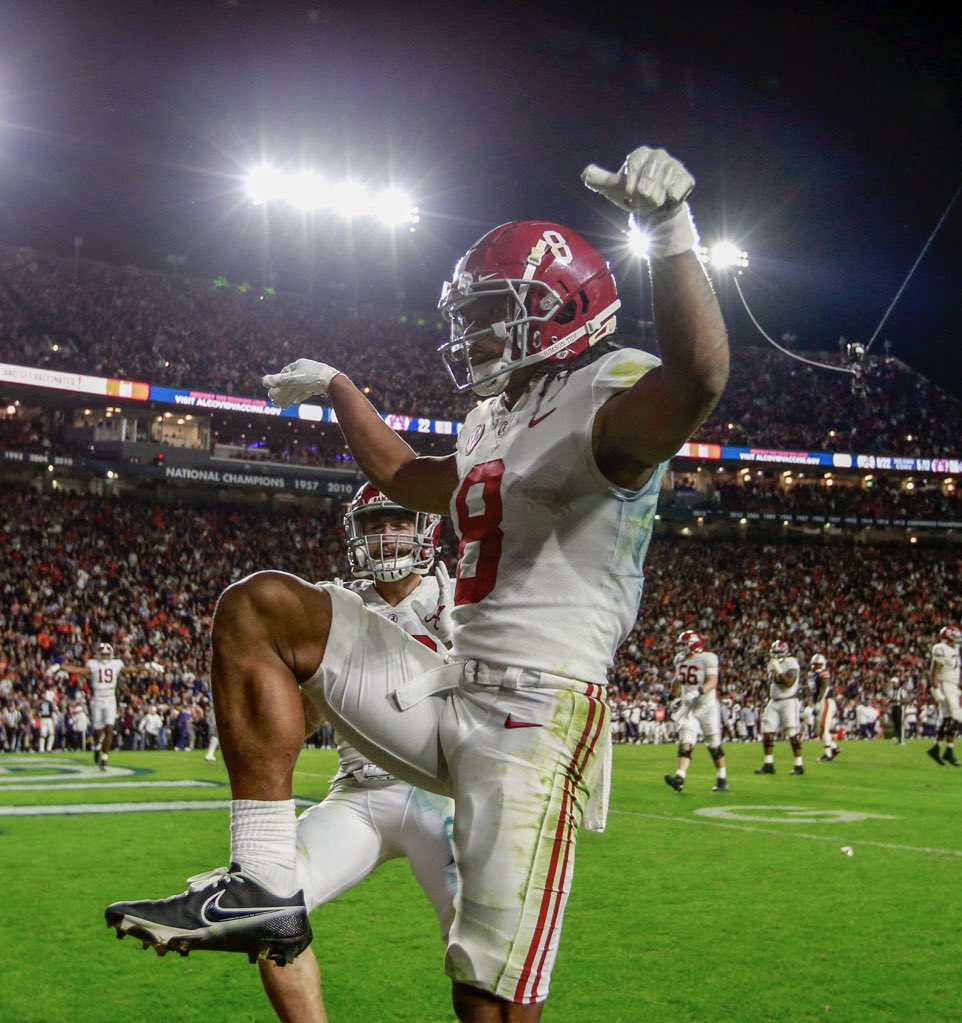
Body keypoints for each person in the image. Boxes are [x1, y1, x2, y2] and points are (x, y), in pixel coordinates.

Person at [104, 144, 729, 1022]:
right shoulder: (494, 417)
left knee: (488, 1002)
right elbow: (403, 476)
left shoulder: (608, 387)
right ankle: (262, 882)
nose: (470, 336)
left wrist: (669, 230)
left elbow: (698, 378)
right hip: (449, 689)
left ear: (558, 313)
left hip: (536, 717)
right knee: (261, 610)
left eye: (490, 314)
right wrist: (338, 386)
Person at [258, 483, 457, 1023]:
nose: (385, 535)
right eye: (373, 524)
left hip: (440, 796)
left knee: (484, 937)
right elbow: (303, 721)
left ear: (425, 530)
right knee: (266, 908)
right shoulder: (332, 609)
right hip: (355, 794)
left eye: (397, 520)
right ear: (355, 533)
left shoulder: (465, 604)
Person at [56, 643, 158, 771]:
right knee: (98, 730)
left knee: (109, 728)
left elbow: (133, 669)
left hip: (110, 698)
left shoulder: (116, 664)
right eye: (103, 654)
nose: (105, 657)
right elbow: (78, 671)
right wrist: (60, 667)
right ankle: (97, 746)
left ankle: (105, 757)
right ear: (98, 654)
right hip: (97, 699)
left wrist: (148, 665)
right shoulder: (93, 664)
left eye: (106, 654)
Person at [663, 630, 729, 792]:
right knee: (685, 740)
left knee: (714, 745)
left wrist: (698, 691)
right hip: (690, 707)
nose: (681, 648)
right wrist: (671, 699)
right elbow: (677, 681)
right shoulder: (680, 659)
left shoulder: (708, 658)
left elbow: (712, 681)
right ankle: (679, 777)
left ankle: (722, 778)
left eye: (684, 644)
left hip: (707, 707)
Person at [755, 639, 804, 775]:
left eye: (778, 652)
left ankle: (798, 765)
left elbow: (788, 683)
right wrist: (776, 670)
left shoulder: (791, 662)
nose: (776, 655)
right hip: (774, 700)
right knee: (767, 730)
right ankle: (768, 764)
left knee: (792, 732)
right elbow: (774, 680)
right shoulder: (771, 664)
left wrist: (778, 670)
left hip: (789, 700)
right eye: (774, 653)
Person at [926, 625, 961, 766]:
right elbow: (934, 672)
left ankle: (937, 748)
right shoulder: (941, 648)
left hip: (953, 685)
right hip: (945, 685)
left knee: (948, 719)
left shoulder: (953, 649)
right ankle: (948, 750)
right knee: (956, 717)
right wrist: (935, 689)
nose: (957, 641)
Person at [810, 653, 841, 762]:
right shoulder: (813, 675)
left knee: (823, 728)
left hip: (826, 701)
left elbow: (824, 689)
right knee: (819, 730)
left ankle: (828, 754)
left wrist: (819, 703)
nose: (815, 666)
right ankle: (834, 747)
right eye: (814, 664)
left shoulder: (824, 674)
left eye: (817, 665)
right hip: (821, 702)